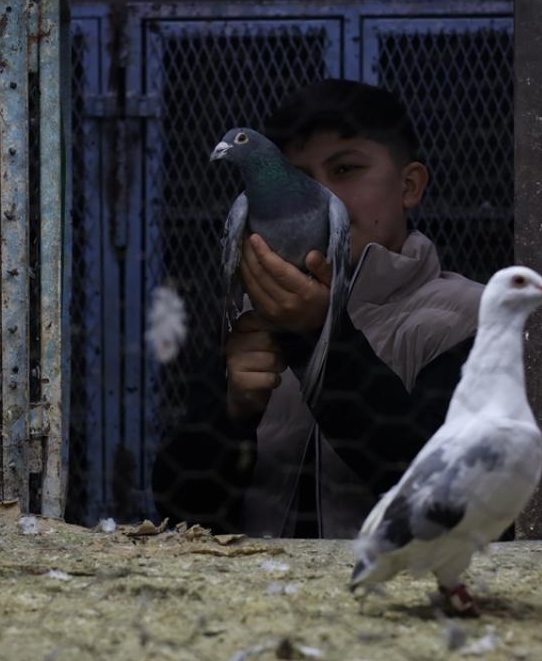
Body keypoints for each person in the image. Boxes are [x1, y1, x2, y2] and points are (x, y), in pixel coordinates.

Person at [152, 79, 486, 538]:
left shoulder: (469, 319)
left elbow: (457, 504)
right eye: (301, 176)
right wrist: (232, 413)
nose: (322, 194)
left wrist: (317, 338)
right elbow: (180, 507)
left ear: (409, 185)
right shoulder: (255, 320)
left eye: (346, 169)